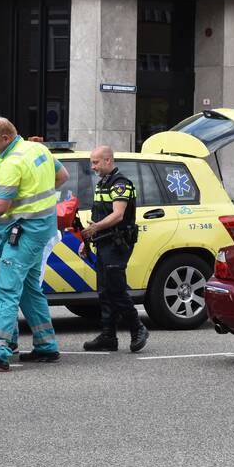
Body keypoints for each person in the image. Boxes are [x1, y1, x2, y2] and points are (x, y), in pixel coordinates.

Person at [0, 117, 69, 372]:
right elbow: (62, 175)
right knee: (30, 289)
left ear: (5, 138)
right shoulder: (38, 149)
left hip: (24, 231)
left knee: (5, 289)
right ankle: (46, 346)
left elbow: (0, 206)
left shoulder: (12, 163)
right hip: (43, 228)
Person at [79, 146, 149, 353]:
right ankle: (108, 336)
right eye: (92, 162)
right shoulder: (103, 183)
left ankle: (138, 328)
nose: (92, 167)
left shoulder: (120, 184)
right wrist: (88, 240)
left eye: (96, 162)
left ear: (108, 160)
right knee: (104, 290)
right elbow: (99, 216)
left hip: (117, 243)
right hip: (104, 242)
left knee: (116, 289)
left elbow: (118, 215)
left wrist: (94, 230)